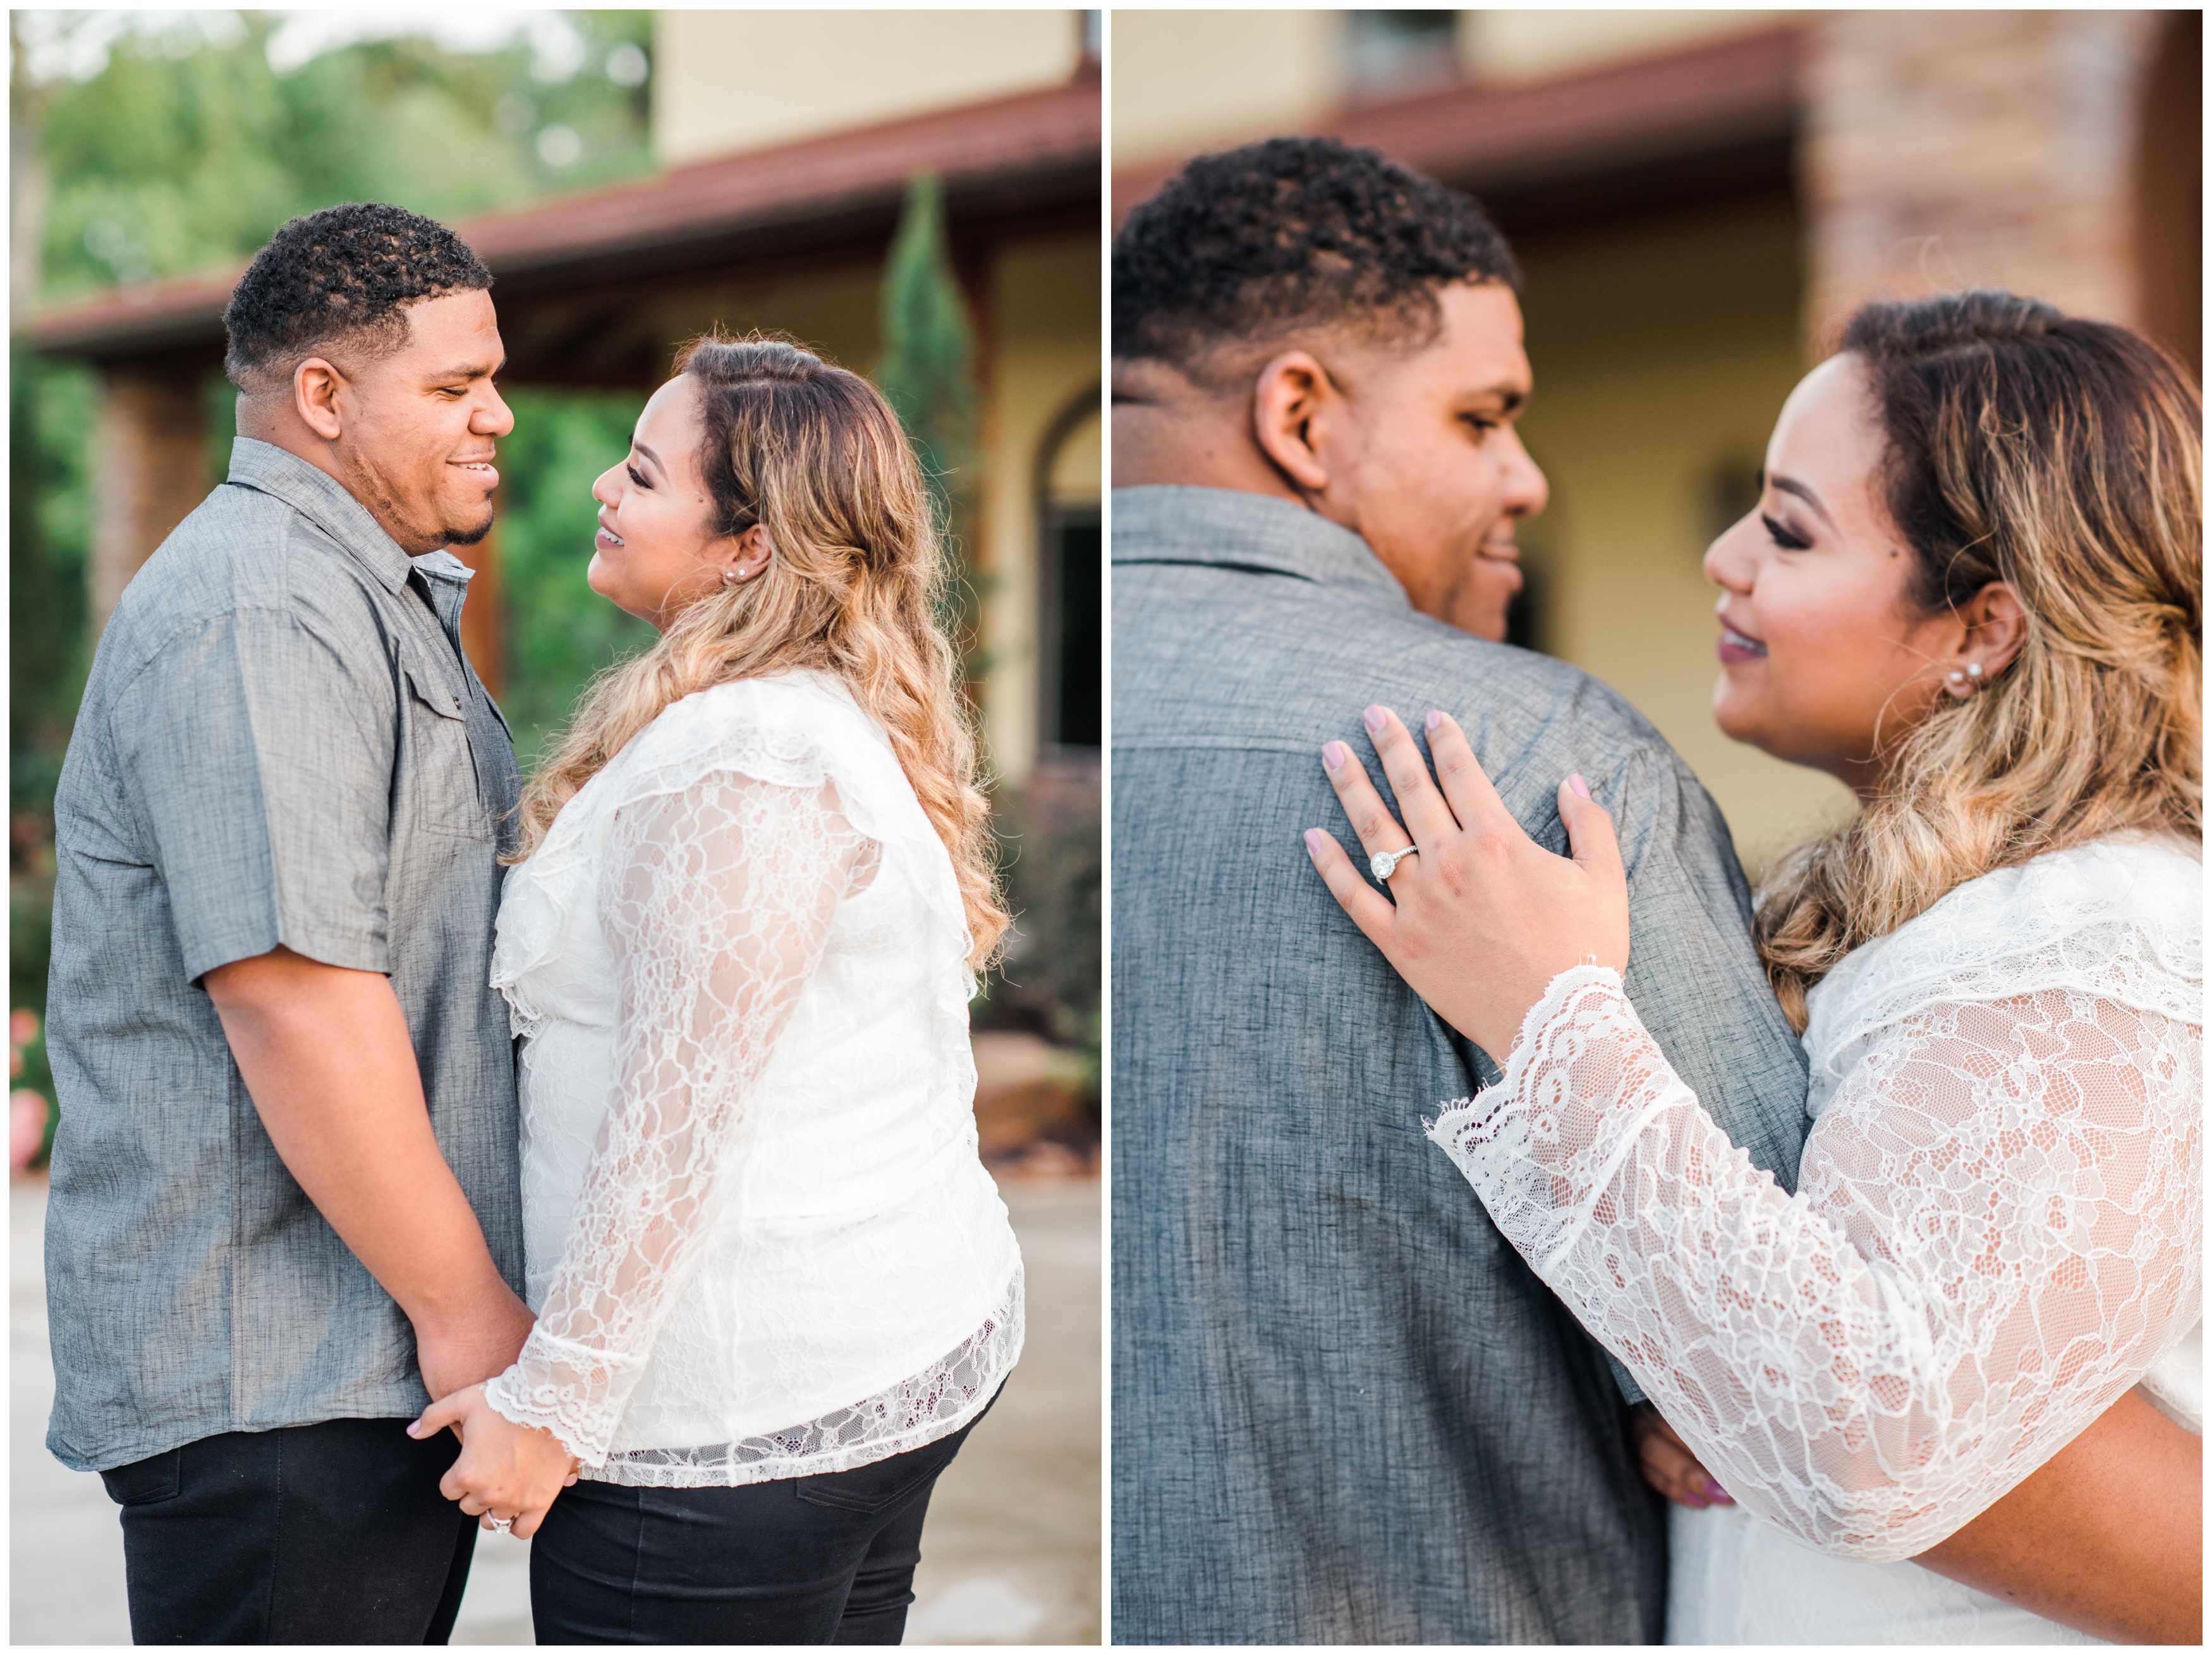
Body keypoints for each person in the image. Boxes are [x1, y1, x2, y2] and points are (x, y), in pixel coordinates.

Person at [1307, 291, 2201, 1642]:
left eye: (1786, 527)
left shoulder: (2094, 937)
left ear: (1983, 628)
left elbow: (1877, 1434)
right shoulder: (1938, 907)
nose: (1724, 556)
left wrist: (1549, 1021)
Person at [1109, 136, 1812, 1643]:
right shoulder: (1533, 765)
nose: (1525, 477)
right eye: (1483, 416)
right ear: (1300, 413)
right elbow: (1757, 1392)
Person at [407, 334, 1025, 1645]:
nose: (599, 492)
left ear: (748, 546)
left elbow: (680, 1110)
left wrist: (551, 1407)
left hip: (736, 1426)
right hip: (852, 1372)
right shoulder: (784, 717)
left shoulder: (750, 759)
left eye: (640, 473)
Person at [44, 204, 528, 1642]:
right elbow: (292, 993)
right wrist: (469, 1312)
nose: (498, 414)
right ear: (323, 396)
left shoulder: (348, 593)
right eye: (454, 386)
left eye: (491, 377)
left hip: (341, 1372)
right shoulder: (262, 606)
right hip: (280, 1382)